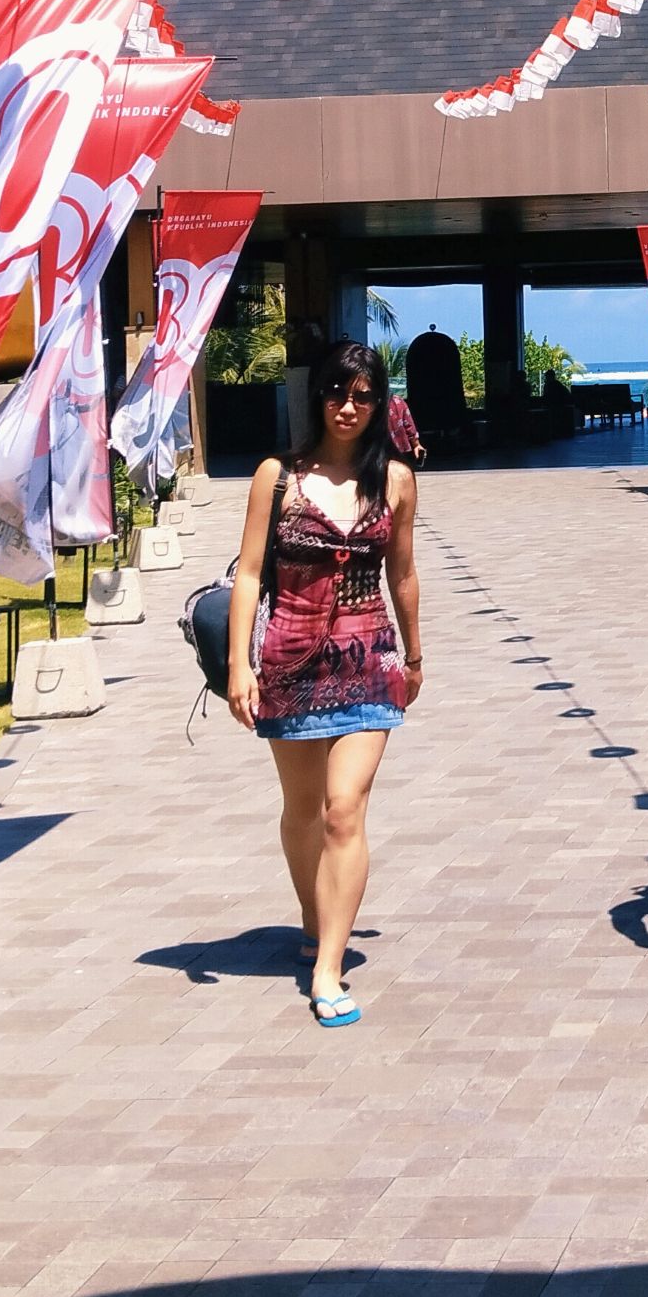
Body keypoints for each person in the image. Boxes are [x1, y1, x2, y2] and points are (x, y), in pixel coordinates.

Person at [225, 341, 423, 1026]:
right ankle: (315, 917)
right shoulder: (277, 477)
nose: (348, 406)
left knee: (344, 810)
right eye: (338, 392)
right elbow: (250, 573)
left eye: (363, 395)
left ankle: (328, 968)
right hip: (289, 661)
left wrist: (415, 655)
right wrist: (239, 663)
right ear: (318, 397)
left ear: (380, 403)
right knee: (303, 810)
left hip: (369, 660)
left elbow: (403, 573)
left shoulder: (395, 479)